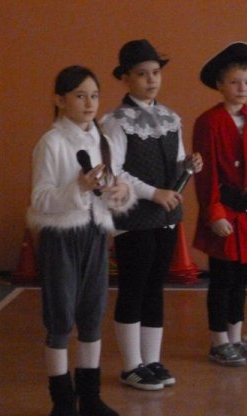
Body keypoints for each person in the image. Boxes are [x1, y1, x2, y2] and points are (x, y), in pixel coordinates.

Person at [28, 65, 136, 416]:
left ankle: (89, 397)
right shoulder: (51, 143)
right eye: (79, 96)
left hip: (94, 235)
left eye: (94, 95)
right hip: (61, 238)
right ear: (60, 100)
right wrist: (79, 188)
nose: (89, 103)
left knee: (92, 316)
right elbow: (41, 199)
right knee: (60, 319)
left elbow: (112, 187)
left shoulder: (102, 140)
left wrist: (120, 192)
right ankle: (62, 403)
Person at [102, 39, 202, 389]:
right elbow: (114, 172)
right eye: (142, 74)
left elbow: (176, 164)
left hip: (166, 217)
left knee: (155, 287)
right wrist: (153, 193)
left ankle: (152, 360)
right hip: (133, 218)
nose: (151, 80)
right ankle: (131, 365)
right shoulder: (115, 122)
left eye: (156, 73)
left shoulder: (171, 118)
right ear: (125, 78)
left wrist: (188, 165)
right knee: (134, 286)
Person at [193, 42, 247, 366]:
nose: (241, 88)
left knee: (241, 282)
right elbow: (207, 175)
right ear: (220, 84)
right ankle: (219, 342)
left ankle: (235, 337)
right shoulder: (209, 122)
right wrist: (214, 213)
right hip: (224, 213)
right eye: (234, 82)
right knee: (222, 280)